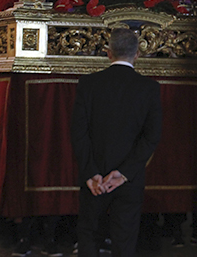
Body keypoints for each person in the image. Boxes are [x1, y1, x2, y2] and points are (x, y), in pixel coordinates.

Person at [70, 28, 162, 257]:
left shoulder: (88, 84)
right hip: (129, 179)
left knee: (89, 235)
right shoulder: (149, 88)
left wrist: (91, 172)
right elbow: (151, 137)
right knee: (125, 238)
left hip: (95, 177)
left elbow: (78, 132)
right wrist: (123, 173)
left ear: (108, 53)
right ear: (137, 54)